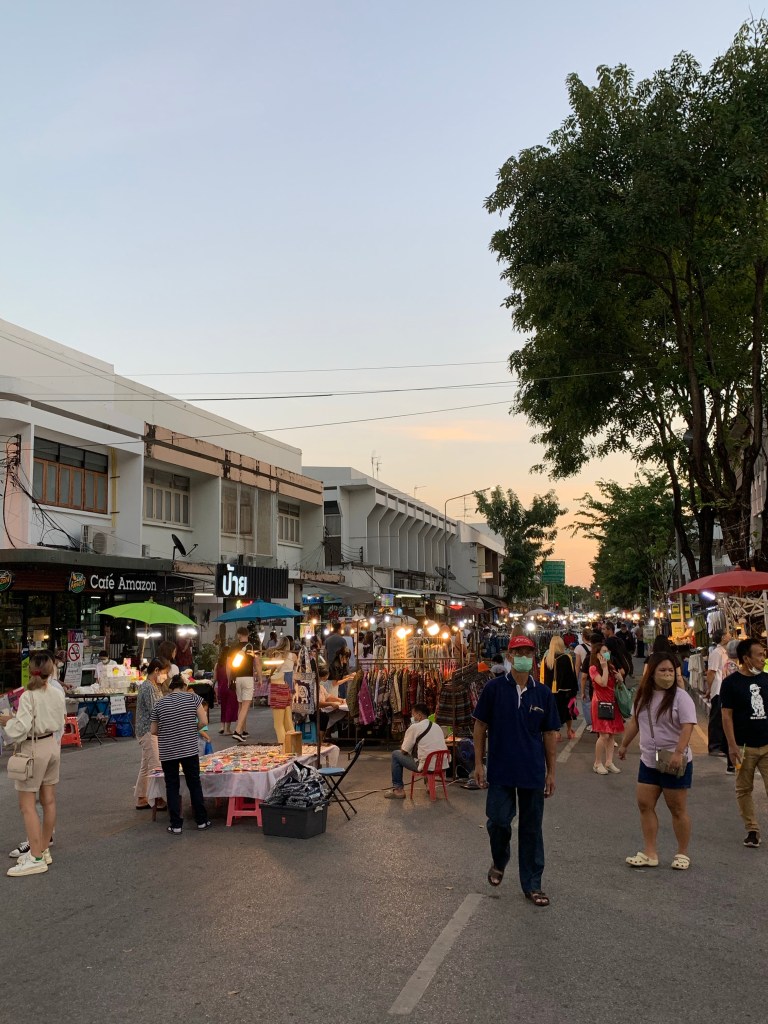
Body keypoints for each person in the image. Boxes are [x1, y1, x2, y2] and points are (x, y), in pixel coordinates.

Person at [472, 634, 560, 907]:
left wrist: (551, 772)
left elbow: (550, 734)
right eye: (518, 652)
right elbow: (480, 726)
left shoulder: (543, 693)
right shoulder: (494, 688)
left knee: (532, 829)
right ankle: (500, 860)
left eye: (528, 653)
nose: (523, 657)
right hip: (500, 770)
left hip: (532, 771)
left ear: (534, 657)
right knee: (498, 821)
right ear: (510, 656)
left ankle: (533, 884)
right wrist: (478, 763)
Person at [618, 653, 697, 870]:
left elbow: (688, 726)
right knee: (645, 805)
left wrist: (678, 752)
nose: (667, 675)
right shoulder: (643, 696)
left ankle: (682, 853)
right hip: (648, 760)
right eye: (662, 670)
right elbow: (636, 722)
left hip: (673, 761)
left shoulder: (681, 697)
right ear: (652, 673)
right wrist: (624, 745)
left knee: (677, 809)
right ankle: (650, 852)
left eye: (671, 671)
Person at [0, 652, 66, 876]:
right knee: (49, 801)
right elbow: (61, 720)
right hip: (52, 745)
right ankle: (43, 850)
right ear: (51, 670)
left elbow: (21, 728)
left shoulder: (29, 696)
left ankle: (36, 857)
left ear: (30, 671)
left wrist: (8, 722)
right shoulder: (57, 693)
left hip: (33, 748)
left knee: (27, 805)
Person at [720, 638, 768, 848]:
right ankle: (752, 830)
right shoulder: (731, 684)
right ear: (746, 658)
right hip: (744, 747)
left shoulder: (767, 680)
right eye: (759, 655)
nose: (763, 659)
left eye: (764, 654)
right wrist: (732, 746)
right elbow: (726, 716)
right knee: (744, 789)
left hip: (767, 744)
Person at [150, 676, 212, 834]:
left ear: (171, 687)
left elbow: (153, 730)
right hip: (189, 749)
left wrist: (168, 731)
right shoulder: (193, 698)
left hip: (168, 751)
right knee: (194, 783)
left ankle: (176, 825)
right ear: (184, 686)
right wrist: (192, 729)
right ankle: (201, 821)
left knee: (172, 786)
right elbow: (204, 722)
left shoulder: (159, 703)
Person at [385, 702, 449, 799]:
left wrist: (406, 741)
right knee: (424, 752)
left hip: (427, 766)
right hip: (441, 765)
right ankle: (429, 785)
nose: (412, 717)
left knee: (395, 754)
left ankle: (398, 789)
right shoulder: (437, 726)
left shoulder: (415, 727)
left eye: (413, 714)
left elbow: (404, 751)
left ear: (419, 715)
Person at [134, 658, 170, 810]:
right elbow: (156, 710)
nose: (165, 676)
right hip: (148, 731)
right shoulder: (149, 687)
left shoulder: (152, 686)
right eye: (164, 673)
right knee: (156, 766)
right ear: (156, 671)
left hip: (146, 730)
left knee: (146, 765)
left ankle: (141, 797)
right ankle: (159, 799)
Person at [589, 642, 624, 774]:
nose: (607, 653)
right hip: (600, 703)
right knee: (603, 734)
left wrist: (619, 678)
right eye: (604, 651)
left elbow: (617, 683)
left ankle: (609, 762)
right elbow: (603, 683)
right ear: (597, 655)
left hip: (612, 702)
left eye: (607, 651)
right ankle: (597, 763)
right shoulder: (593, 668)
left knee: (611, 734)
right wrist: (604, 668)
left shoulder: (611, 666)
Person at [705, 628, 733, 769]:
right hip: (717, 689)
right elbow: (711, 672)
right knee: (716, 718)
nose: (730, 635)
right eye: (727, 634)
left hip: (723, 689)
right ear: (723, 637)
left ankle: (721, 746)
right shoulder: (716, 653)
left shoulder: (724, 652)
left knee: (722, 718)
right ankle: (714, 746)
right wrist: (710, 689)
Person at [228, 626, 261, 743]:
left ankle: (242, 731)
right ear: (247, 634)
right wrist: (260, 678)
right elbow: (257, 663)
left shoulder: (233, 648)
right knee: (246, 705)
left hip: (237, 678)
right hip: (248, 678)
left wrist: (229, 679)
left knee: (240, 705)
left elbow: (229, 665)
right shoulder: (252, 647)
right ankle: (237, 731)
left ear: (238, 635)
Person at [542, 636, 578, 741]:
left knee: (554, 711)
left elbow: (543, 677)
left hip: (550, 691)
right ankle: (569, 730)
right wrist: (574, 690)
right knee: (568, 711)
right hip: (565, 691)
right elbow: (572, 675)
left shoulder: (546, 659)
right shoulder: (567, 657)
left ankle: (556, 732)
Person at [268, 637, 296, 744]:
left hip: (278, 685)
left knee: (278, 724)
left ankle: (284, 746)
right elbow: (297, 667)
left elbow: (271, 668)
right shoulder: (293, 656)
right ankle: (293, 745)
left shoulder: (276, 655)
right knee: (288, 720)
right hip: (289, 684)